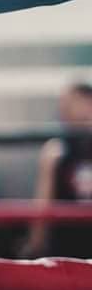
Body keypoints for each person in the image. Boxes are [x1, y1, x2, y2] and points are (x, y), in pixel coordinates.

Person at [25, 82, 92, 259]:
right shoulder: (56, 151)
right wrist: (36, 243)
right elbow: (43, 203)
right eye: (63, 104)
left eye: (71, 103)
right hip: (66, 243)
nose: (65, 109)